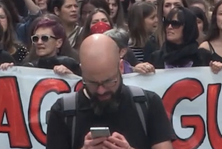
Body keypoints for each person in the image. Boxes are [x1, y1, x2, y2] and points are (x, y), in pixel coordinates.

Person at [46, 34, 174, 149]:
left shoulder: (148, 103)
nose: (101, 91)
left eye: (109, 81)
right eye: (93, 83)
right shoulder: (63, 111)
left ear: (121, 67)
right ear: (82, 72)